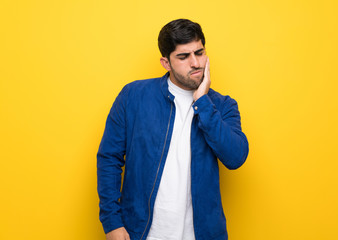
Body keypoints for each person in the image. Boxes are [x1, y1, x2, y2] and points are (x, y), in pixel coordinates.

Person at [97, 19, 249, 240]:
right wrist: (112, 222)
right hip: (143, 233)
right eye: (183, 56)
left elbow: (235, 157)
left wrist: (203, 103)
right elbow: (109, 159)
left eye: (199, 52)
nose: (195, 63)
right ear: (166, 63)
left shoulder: (222, 105)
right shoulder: (133, 97)